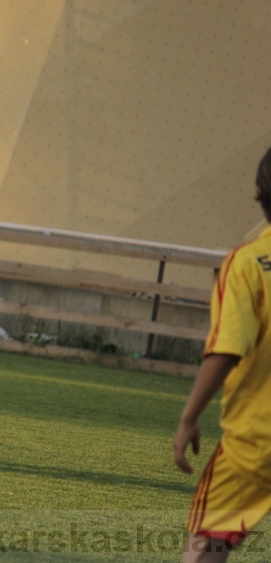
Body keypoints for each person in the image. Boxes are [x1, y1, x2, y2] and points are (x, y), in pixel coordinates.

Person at [174, 145, 271, 562]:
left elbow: (226, 349)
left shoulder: (248, 263)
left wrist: (188, 419)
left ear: (259, 191)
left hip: (257, 441)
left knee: (205, 546)